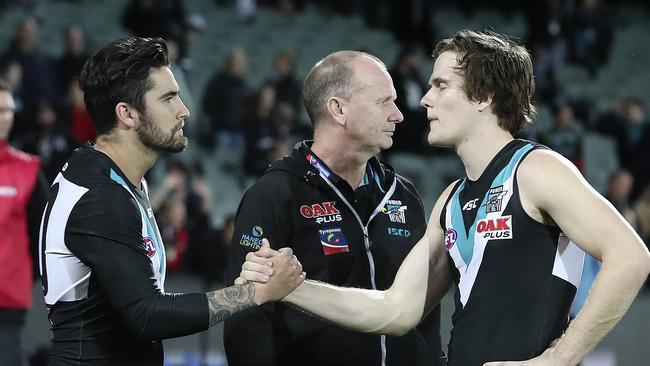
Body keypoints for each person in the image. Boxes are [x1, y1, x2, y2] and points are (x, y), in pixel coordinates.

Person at [239, 30, 650, 366]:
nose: (423, 100)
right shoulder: (451, 199)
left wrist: (558, 360)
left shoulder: (537, 169)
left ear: (484, 95)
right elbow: (395, 310)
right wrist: (291, 287)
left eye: (441, 85)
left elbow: (631, 257)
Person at [38, 37, 304, 365]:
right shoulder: (100, 196)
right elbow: (148, 314)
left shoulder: (118, 180)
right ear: (127, 114)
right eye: (168, 98)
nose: (184, 110)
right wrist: (254, 293)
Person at [225, 50, 444, 366]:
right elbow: (246, 315)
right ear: (338, 109)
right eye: (384, 102)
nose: (398, 115)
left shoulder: (403, 195)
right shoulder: (275, 193)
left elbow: (426, 307)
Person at [0, 80, 49, 366]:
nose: (6, 116)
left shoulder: (28, 170)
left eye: (9, 109)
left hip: (6, 305)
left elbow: (42, 236)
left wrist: (19, 274)